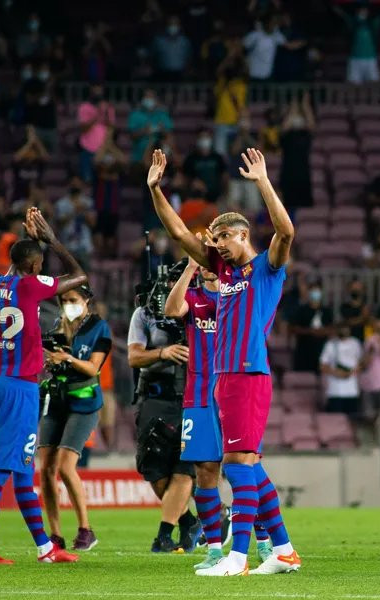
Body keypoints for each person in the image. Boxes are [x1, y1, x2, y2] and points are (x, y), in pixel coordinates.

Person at [149, 147, 301, 576]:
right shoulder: (224, 273)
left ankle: (237, 558)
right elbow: (179, 234)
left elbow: (286, 232)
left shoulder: (266, 269)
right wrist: (156, 190)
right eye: (214, 243)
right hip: (225, 378)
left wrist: (263, 183)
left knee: (236, 465)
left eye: (223, 240)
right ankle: (284, 550)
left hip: (248, 375)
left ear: (241, 235)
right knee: (251, 466)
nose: (217, 248)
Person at [0, 207, 84, 565]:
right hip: (19, 389)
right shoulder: (31, 286)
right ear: (34, 267)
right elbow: (79, 276)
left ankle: (45, 549)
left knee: (20, 467)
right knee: (2, 465)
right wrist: (53, 242)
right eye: (41, 263)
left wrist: (30, 246)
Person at [163, 258, 260, 570]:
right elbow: (170, 310)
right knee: (205, 471)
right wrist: (190, 268)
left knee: (247, 467)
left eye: (210, 260)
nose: (207, 264)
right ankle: (215, 549)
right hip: (199, 394)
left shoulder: (237, 294)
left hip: (234, 389)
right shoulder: (194, 298)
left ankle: (268, 544)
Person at [127, 269, 200, 553]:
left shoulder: (204, 308)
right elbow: (134, 357)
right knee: (155, 471)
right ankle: (190, 522)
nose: (173, 286)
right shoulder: (144, 314)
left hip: (191, 398)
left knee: (184, 468)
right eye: (172, 280)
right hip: (155, 397)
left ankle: (163, 536)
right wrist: (162, 352)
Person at [38, 285, 108, 552]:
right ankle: (55, 535)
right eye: (64, 300)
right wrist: (51, 362)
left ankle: (85, 529)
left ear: (86, 300)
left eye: (73, 300)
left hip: (85, 401)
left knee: (66, 466)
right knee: (45, 469)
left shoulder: (99, 329)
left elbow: (92, 367)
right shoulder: (57, 326)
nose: (68, 304)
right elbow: (51, 362)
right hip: (55, 399)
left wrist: (66, 358)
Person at [320, 322, 362, 417]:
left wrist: (352, 372)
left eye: (346, 329)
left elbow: (361, 363)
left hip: (352, 390)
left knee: (352, 419)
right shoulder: (331, 344)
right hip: (335, 391)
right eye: (341, 329)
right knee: (335, 420)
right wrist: (336, 372)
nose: (344, 331)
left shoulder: (355, 343)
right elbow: (322, 365)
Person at [290, 284, 334, 373]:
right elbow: (294, 328)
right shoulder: (301, 310)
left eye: (317, 291)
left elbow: (332, 329)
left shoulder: (327, 311)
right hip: (304, 351)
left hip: (322, 351)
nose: (315, 294)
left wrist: (322, 332)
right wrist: (310, 331)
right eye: (313, 291)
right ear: (309, 293)